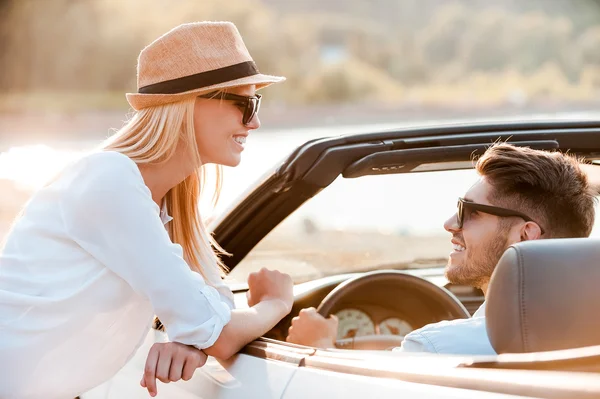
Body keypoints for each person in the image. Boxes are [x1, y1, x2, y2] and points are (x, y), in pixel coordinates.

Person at [0, 21, 292, 399]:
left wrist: (191, 341)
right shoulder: (110, 179)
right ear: (188, 104)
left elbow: (213, 307)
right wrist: (276, 302)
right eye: (245, 103)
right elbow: (217, 332)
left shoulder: (167, 201)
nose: (254, 122)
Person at [286, 143, 596, 355]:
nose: (450, 223)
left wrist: (317, 349)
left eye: (470, 211)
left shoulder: (434, 348)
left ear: (525, 235)